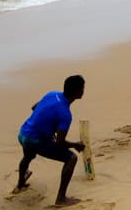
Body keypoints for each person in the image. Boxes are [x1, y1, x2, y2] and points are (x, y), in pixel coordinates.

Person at [15, 75, 86, 207]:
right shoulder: (65, 114)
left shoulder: (52, 94)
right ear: (77, 92)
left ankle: (21, 183)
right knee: (71, 158)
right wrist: (75, 145)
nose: (83, 90)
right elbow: (60, 143)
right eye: (82, 88)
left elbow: (34, 107)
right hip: (35, 140)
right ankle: (61, 198)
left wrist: (47, 129)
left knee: (28, 155)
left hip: (23, 134)